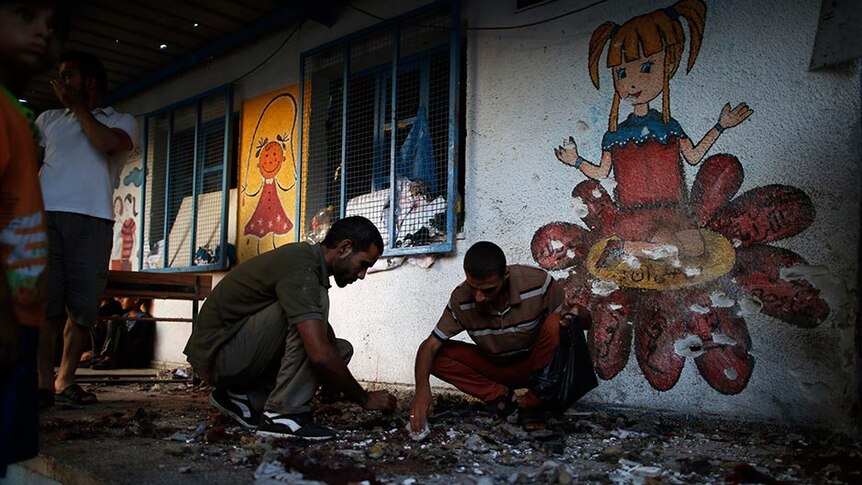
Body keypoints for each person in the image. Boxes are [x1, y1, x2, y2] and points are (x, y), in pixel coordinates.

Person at [553, 0, 752, 265]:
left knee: (694, 248)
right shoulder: (616, 134)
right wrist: (575, 160)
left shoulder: (669, 126)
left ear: (666, 67)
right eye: (622, 73)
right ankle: (622, 248)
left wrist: (720, 126)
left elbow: (693, 156)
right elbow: (602, 173)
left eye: (646, 68)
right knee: (668, 248)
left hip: (674, 211)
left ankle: (631, 248)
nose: (632, 82)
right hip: (636, 215)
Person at [184, 215, 398, 440]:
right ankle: (282, 415)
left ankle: (243, 398)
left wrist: (333, 385)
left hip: (233, 353)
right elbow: (318, 353)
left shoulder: (309, 266)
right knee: (313, 324)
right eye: (363, 264)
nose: (363, 275)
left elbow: (327, 344)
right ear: (345, 247)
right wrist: (364, 398)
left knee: (339, 348)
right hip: (218, 356)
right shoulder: (303, 268)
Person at [35, 50, 138, 407]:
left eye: (68, 76)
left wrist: (78, 108)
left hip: (94, 220)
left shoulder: (121, 121)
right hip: (46, 218)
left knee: (81, 310)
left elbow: (109, 146)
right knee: (45, 308)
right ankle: (42, 386)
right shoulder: (48, 119)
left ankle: (65, 380)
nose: (61, 83)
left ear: (90, 83)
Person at [409, 241, 591, 434]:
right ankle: (502, 399)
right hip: (495, 368)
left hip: (536, 366)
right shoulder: (461, 299)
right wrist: (421, 389)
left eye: (488, 290)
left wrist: (580, 314)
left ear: (505, 275)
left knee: (558, 323)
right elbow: (429, 346)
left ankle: (534, 403)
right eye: (473, 287)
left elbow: (582, 324)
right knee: (435, 355)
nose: (478, 297)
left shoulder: (537, 283)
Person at [0, 0, 67, 476]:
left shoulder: (16, 115)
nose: (44, 30)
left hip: (17, 319)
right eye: (25, 13)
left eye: (53, 23)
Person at [91, 296, 154, 370]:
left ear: (135, 300)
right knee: (94, 322)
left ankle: (109, 359)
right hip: (120, 349)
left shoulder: (142, 317)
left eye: (124, 298)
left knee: (114, 318)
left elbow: (135, 342)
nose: (121, 300)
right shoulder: (125, 315)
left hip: (127, 354)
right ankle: (97, 357)